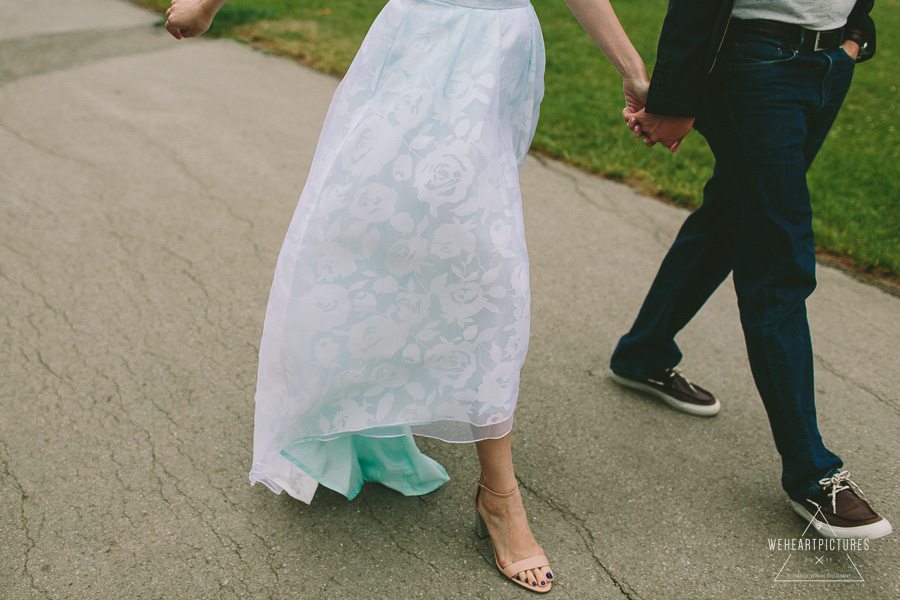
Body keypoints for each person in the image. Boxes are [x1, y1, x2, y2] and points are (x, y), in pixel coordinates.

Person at [165, 0, 650, 591]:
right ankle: (354, 393)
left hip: (497, 51)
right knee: (363, 234)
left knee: (485, 264)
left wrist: (633, 70)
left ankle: (499, 494)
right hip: (416, 41)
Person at [610, 0, 892, 539]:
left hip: (831, 58)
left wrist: (855, 33)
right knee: (778, 258)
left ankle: (642, 352)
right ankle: (813, 474)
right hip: (758, 61)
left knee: (729, 217)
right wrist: (674, 96)